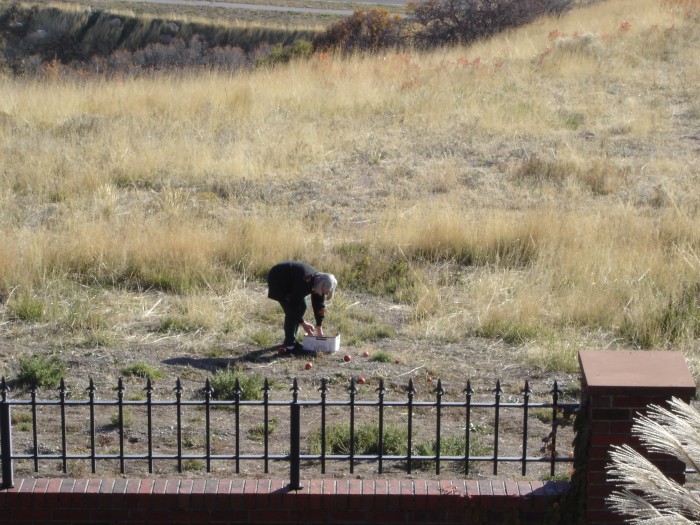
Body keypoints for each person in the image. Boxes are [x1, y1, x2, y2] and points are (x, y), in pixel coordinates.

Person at [266, 261, 337, 353]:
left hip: (292, 283)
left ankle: (292, 339)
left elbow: (319, 305)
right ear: (319, 286)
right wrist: (303, 324)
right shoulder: (305, 281)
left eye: (325, 292)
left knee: (302, 307)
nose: (324, 294)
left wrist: (319, 327)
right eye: (323, 292)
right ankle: (290, 343)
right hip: (278, 279)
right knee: (292, 311)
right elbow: (293, 305)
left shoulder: (320, 283)